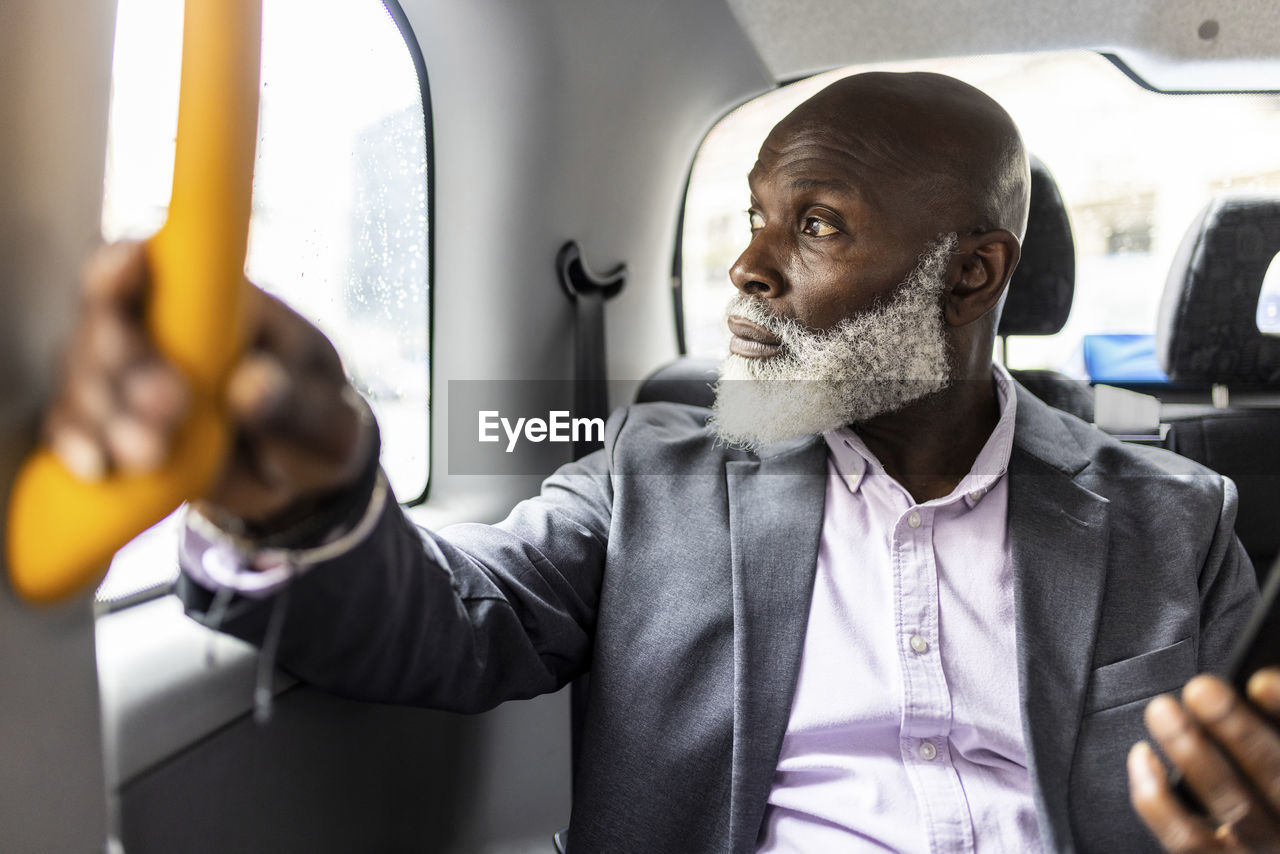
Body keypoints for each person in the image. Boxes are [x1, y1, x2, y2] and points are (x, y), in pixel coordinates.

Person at [47, 70, 1280, 852]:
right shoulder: (657, 475)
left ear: (969, 272)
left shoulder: (1173, 512)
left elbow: (1238, 781)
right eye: (752, 216)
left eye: (815, 224)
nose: (746, 266)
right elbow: (454, 613)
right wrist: (309, 497)